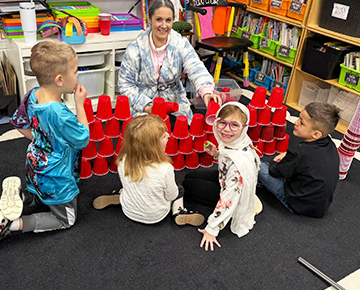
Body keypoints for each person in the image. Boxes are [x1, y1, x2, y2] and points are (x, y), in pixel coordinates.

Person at [0, 40, 89, 240]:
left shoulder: (32, 94)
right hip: (56, 176)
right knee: (66, 219)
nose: (77, 75)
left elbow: (19, 122)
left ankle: (24, 197)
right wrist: (80, 105)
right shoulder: (59, 113)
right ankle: (14, 224)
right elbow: (82, 138)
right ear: (59, 79)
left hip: (34, 162)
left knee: (40, 195)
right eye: (75, 71)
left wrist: (41, 140)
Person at [117, 0, 221, 123]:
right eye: (159, 19)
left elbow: (196, 68)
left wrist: (206, 91)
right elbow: (125, 85)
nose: (164, 25)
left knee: (184, 135)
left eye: (168, 20)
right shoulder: (135, 49)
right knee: (147, 138)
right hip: (144, 104)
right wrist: (147, 107)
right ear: (149, 19)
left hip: (174, 101)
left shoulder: (180, 43)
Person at [92, 114, 205, 226]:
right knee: (179, 189)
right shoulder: (165, 168)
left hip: (128, 211)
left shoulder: (123, 159)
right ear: (153, 146)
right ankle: (178, 212)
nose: (168, 135)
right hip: (156, 216)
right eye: (163, 136)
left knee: (130, 186)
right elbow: (171, 196)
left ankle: (120, 197)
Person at [183, 102, 261, 251]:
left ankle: (249, 202)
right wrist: (218, 154)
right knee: (189, 176)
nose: (226, 129)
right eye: (222, 123)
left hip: (233, 192)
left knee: (188, 186)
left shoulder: (238, 166)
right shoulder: (239, 142)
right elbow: (229, 159)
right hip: (226, 179)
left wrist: (212, 229)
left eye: (234, 125)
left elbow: (228, 200)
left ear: (244, 128)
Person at [258, 102, 341, 218]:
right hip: (319, 207)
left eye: (301, 123)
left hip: (297, 204)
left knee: (258, 165)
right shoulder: (330, 145)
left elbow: (274, 172)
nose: (296, 123)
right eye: (299, 118)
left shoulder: (299, 151)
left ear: (316, 134)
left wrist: (278, 162)